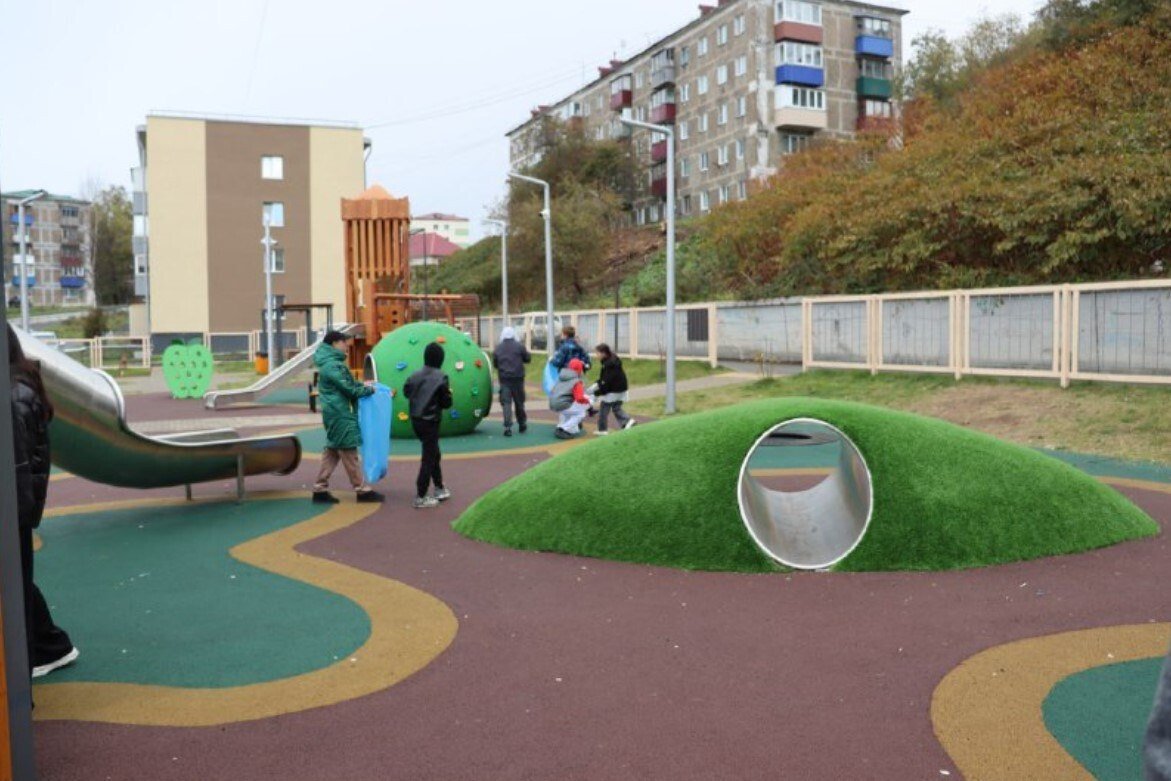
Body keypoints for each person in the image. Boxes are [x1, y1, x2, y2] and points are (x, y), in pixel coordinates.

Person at [8, 323, 78, 678]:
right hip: (19, 507)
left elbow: (19, 464)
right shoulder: (18, 387)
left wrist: (17, 516)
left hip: (15, 509)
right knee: (18, 581)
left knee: (16, 583)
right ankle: (52, 645)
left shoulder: (14, 396)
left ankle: (43, 651)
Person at [312, 331, 383, 504]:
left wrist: (363, 385)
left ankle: (319, 488)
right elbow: (349, 389)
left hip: (335, 412)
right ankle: (361, 489)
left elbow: (348, 384)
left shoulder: (331, 364)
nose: (346, 346)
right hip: (340, 413)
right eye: (344, 343)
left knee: (332, 451)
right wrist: (369, 389)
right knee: (348, 450)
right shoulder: (333, 366)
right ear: (334, 344)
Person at [403, 342, 454, 509]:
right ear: (440, 359)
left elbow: (406, 391)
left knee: (434, 453)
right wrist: (448, 395)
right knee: (429, 457)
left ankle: (439, 487)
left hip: (416, 420)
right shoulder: (441, 377)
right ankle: (421, 495)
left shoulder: (414, 375)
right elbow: (446, 403)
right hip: (430, 421)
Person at [492, 326, 530, 437]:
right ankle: (522, 423)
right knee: (519, 402)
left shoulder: (498, 348)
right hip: (518, 378)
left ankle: (507, 427)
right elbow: (527, 359)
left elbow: (495, 364)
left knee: (506, 403)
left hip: (504, 379)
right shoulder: (519, 346)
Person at [589, 343, 635, 435]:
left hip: (613, 390)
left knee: (603, 409)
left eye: (597, 353)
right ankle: (627, 421)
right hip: (621, 388)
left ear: (603, 353)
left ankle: (602, 430)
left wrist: (597, 393)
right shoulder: (612, 360)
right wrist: (597, 383)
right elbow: (604, 379)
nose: (596, 355)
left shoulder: (608, 365)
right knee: (616, 408)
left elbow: (606, 382)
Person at [549, 358, 592, 439]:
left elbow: (553, 391)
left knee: (568, 410)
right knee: (581, 413)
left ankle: (562, 426)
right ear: (579, 369)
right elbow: (579, 398)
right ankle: (562, 429)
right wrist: (588, 402)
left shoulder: (561, 377)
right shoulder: (576, 381)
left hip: (553, 403)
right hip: (562, 404)